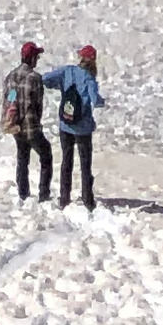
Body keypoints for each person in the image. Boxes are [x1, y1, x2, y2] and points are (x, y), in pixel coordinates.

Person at [0, 36, 51, 198]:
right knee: (46, 155)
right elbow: (37, 105)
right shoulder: (34, 78)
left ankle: (23, 193)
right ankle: (43, 193)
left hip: (15, 125)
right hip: (31, 126)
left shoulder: (10, 76)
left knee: (22, 158)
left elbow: (9, 98)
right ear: (32, 58)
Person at [52, 42, 102, 206]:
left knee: (67, 161)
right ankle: (87, 199)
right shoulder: (90, 79)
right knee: (85, 164)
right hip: (83, 128)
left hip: (65, 124)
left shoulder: (67, 71)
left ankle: (64, 198)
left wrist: (60, 85)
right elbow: (96, 101)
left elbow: (45, 79)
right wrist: (101, 101)